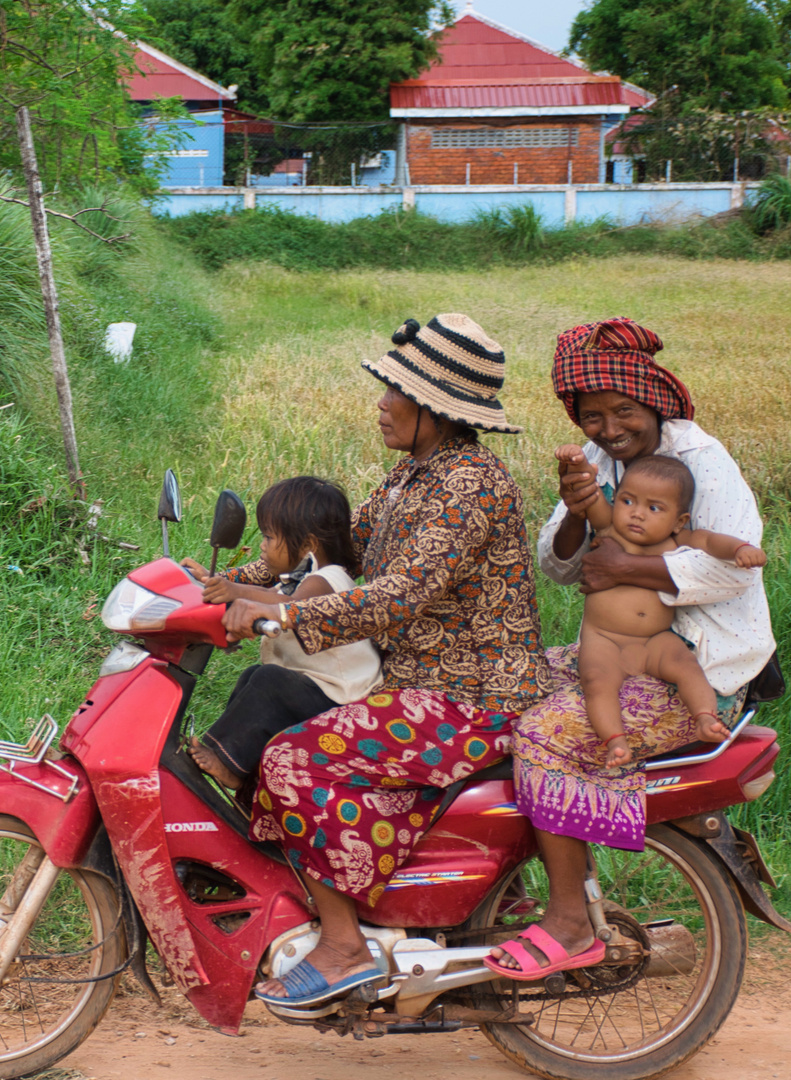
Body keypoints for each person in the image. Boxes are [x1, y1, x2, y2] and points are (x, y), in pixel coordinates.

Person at [218, 314, 548, 1008]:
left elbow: (398, 597)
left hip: (471, 697)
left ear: (436, 409)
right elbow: (335, 550)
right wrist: (223, 588)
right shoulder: (412, 477)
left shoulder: (469, 487)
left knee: (292, 758)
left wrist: (279, 612)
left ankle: (342, 950)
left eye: (395, 390)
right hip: (414, 686)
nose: (382, 403)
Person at [488, 318, 775, 982]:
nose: (609, 427)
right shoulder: (598, 464)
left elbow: (735, 567)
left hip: (699, 665)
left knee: (546, 733)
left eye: (623, 411)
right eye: (592, 415)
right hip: (621, 648)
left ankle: (567, 917)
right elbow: (560, 567)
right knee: (498, 689)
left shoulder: (701, 463)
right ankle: (511, 891)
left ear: (655, 400)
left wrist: (621, 566)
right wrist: (573, 515)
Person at [561, 453, 768, 766]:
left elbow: (711, 542)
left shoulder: (678, 539)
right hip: (605, 639)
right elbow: (587, 494)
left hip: (655, 638)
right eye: (628, 501)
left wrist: (741, 549)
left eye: (654, 508)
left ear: (679, 520)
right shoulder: (608, 529)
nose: (637, 514)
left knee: (686, 666)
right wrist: (577, 465)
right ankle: (615, 741)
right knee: (596, 681)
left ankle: (705, 718)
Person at [179, 476, 382, 791]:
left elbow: (290, 607)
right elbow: (267, 602)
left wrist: (236, 591)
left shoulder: (327, 579)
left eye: (269, 536)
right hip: (318, 691)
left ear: (309, 545)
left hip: (344, 700)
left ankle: (229, 763)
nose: (262, 544)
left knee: (268, 682)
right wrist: (211, 590)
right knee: (252, 677)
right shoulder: (296, 579)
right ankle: (243, 764)